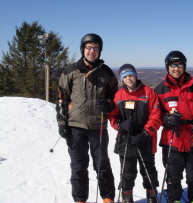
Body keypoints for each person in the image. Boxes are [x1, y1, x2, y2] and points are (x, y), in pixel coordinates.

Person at [55, 33, 117, 203]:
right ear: (83, 49)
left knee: (102, 165)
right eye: (89, 47)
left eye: (96, 48)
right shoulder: (71, 71)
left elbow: (115, 97)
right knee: (79, 166)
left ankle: (108, 199)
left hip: (98, 126)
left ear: (100, 51)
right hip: (76, 126)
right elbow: (62, 98)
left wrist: (109, 105)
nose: (92, 51)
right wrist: (62, 122)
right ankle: (80, 200)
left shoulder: (107, 72)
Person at [154, 51, 193, 203]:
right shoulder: (160, 90)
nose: (176, 68)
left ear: (184, 66)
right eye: (173, 65)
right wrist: (167, 119)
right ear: (167, 67)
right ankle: (174, 199)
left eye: (180, 65)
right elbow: (154, 114)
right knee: (173, 175)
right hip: (172, 139)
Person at [108, 64, 162, 203]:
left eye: (131, 75)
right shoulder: (118, 95)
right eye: (125, 76)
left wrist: (145, 133)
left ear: (136, 75)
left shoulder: (148, 92)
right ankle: (126, 198)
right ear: (122, 79)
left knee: (149, 171)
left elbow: (156, 115)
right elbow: (113, 116)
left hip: (145, 139)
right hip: (126, 140)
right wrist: (120, 125)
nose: (128, 78)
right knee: (127, 173)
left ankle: (152, 196)